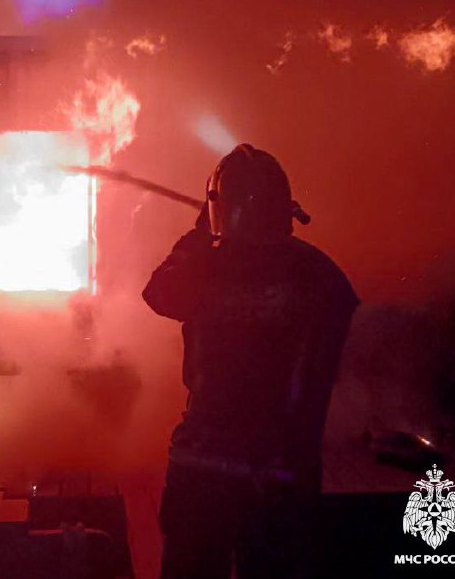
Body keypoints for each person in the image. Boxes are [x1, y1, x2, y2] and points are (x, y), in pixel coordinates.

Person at [143, 144, 358, 579]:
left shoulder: (204, 268)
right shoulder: (320, 273)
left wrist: (199, 235)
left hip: (203, 464)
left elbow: (158, 292)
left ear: (219, 209)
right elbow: (337, 342)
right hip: (282, 469)